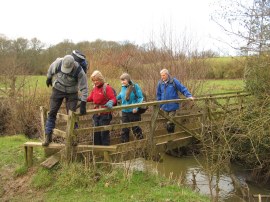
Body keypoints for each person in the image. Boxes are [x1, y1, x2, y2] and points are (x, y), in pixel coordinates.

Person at [43, 55, 88, 146]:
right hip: (58, 89)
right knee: (52, 112)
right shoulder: (58, 63)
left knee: (72, 115)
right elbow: (51, 69)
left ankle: (73, 138)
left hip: (72, 93)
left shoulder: (79, 71)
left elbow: (84, 88)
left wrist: (83, 102)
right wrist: (48, 78)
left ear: (73, 65)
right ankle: (48, 137)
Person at [156, 68, 194, 133]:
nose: (162, 77)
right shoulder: (160, 83)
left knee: (170, 123)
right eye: (161, 75)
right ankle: (170, 137)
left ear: (167, 75)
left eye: (163, 75)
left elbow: (182, 88)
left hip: (173, 106)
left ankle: (171, 137)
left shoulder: (173, 81)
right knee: (166, 124)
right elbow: (158, 95)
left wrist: (189, 96)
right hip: (164, 107)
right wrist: (159, 106)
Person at [87, 70, 116, 146]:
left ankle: (105, 152)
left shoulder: (107, 88)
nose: (95, 82)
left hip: (105, 115)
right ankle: (97, 152)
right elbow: (90, 98)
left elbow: (113, 98)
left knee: (104, 133)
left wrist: (111, 102)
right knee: (96, 133)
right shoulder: (94, 88)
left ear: (101, 79)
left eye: (97, 80)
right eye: (94, 80)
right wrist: (82, 98)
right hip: (96, 114)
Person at [117, 73, 144, 143]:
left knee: (136, 129)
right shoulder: (123, 87)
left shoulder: (135, 86)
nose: (122, 82)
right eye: (121, 80)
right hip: (124, 111)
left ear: (128, 80)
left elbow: (140, 97)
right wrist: (113, 99)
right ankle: (125, 146)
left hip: (133, 112)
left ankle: (142, 146)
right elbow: (120, 95)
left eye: (124, 80)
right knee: (124, 129)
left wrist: (136, 108)